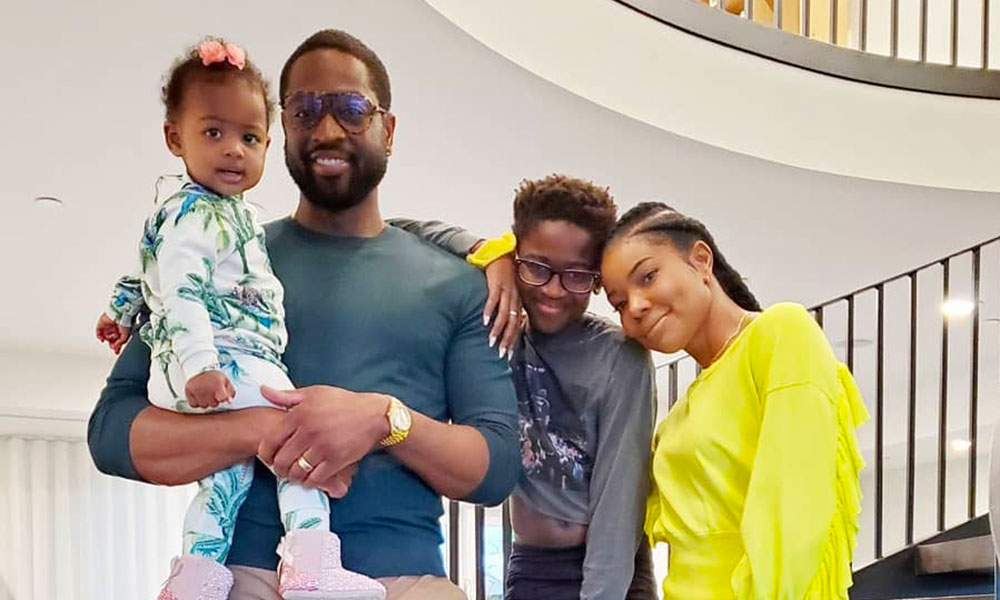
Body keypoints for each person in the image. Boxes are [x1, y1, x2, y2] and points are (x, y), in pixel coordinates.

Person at [88, 29, 520, 600]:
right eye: (305, 110)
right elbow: (113, 433)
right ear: (281, 130)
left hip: (407, 583)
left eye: (351, 109)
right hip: (246, 580)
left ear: (387, 130)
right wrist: (266, 429)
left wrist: (383, 419)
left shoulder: (460, 284)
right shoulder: (217, 258)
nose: (327, 128)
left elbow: (494, 468)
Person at [94, 36, 386, 600]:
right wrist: (201, 363)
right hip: (227, 359)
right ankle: (308, 567)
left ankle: (195, 578)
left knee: (224, 480)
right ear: (174, 138)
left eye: (249, 138)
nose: (233, 150)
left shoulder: (189, 214)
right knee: (301, 443)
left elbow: (149, 273)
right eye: (213, 133)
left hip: (205, 366)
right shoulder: (204, 215)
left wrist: (118, 311)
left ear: (267, 145)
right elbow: (180, 288)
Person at [398, 175, 658, 600]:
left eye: (576, 275)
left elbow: (619, 503)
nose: (554, 290)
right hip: (531, 564)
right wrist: (486, 252)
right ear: (516, 254)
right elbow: (395, 230)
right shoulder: (498, 323)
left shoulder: (620, 357)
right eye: (537, 268)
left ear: (596, 278)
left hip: (613, 571)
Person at [600, 202, 868, 600]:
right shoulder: (677, 417)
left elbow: (792, 521)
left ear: (700, 260)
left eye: (648, 276)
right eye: (619, 303)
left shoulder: (780, 333)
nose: (635, 306)